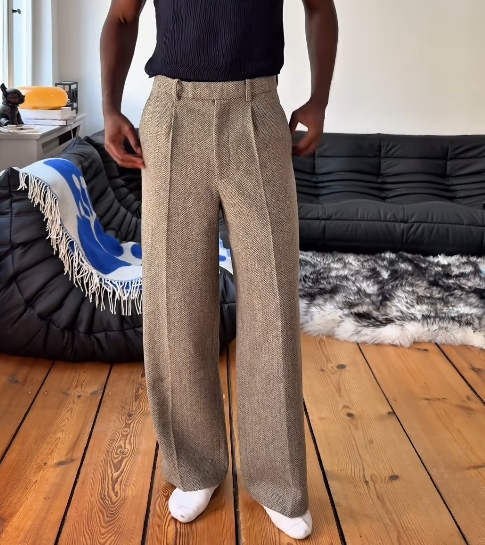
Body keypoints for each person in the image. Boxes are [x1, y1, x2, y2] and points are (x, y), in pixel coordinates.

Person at [101, 0, 337, 539]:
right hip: (172, 114)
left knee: (274, 300)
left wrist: (320, 98)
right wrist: (109, 107)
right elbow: (121, 17)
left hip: (258, 110)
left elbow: (320, 7)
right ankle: (194, 467)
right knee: (175, 299)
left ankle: (278, 481)